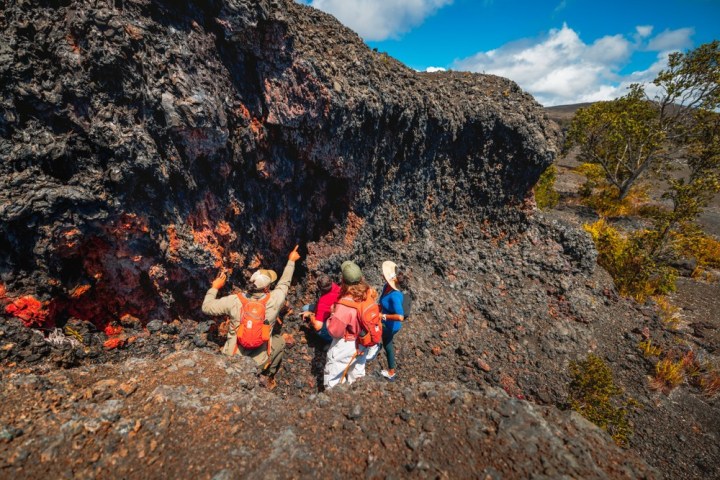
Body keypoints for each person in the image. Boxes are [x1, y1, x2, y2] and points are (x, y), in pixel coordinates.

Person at [202, 246, 302, 390]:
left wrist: (214, 287)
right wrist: (291, 261)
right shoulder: (274, 300)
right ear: (267, 288)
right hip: (257, 363)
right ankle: (268, 374)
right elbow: (284, 284)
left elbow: (206, 307)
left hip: (231, 359)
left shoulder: (234, 300)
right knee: (279, 341)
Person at [323, 261, 378, 389]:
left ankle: (332, 405)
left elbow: (335, 332)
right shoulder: (369, 292)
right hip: (364, 341)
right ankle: (356, 399)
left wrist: (332, 315)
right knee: (357, 373)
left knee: (333, 376)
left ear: (343, 279)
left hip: (347, 344)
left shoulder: (344, 304)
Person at [378, 261, 411, 381]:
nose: (383, 275)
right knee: (388, 344)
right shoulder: (386, 286)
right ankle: (391, 371)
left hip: (391, 325)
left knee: (382, 338)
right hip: (387, 322)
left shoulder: (395, 295)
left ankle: (372, 350)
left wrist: (383, 316)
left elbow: (400, 317)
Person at [301, 274, 340, 344]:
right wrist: (315, 313)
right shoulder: (334, 285)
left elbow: (318, 327)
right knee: (305, 308)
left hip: (333, 321)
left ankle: (331, 340)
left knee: (319, 331)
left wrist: (310, 315)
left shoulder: (323, 302)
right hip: (335, 311)